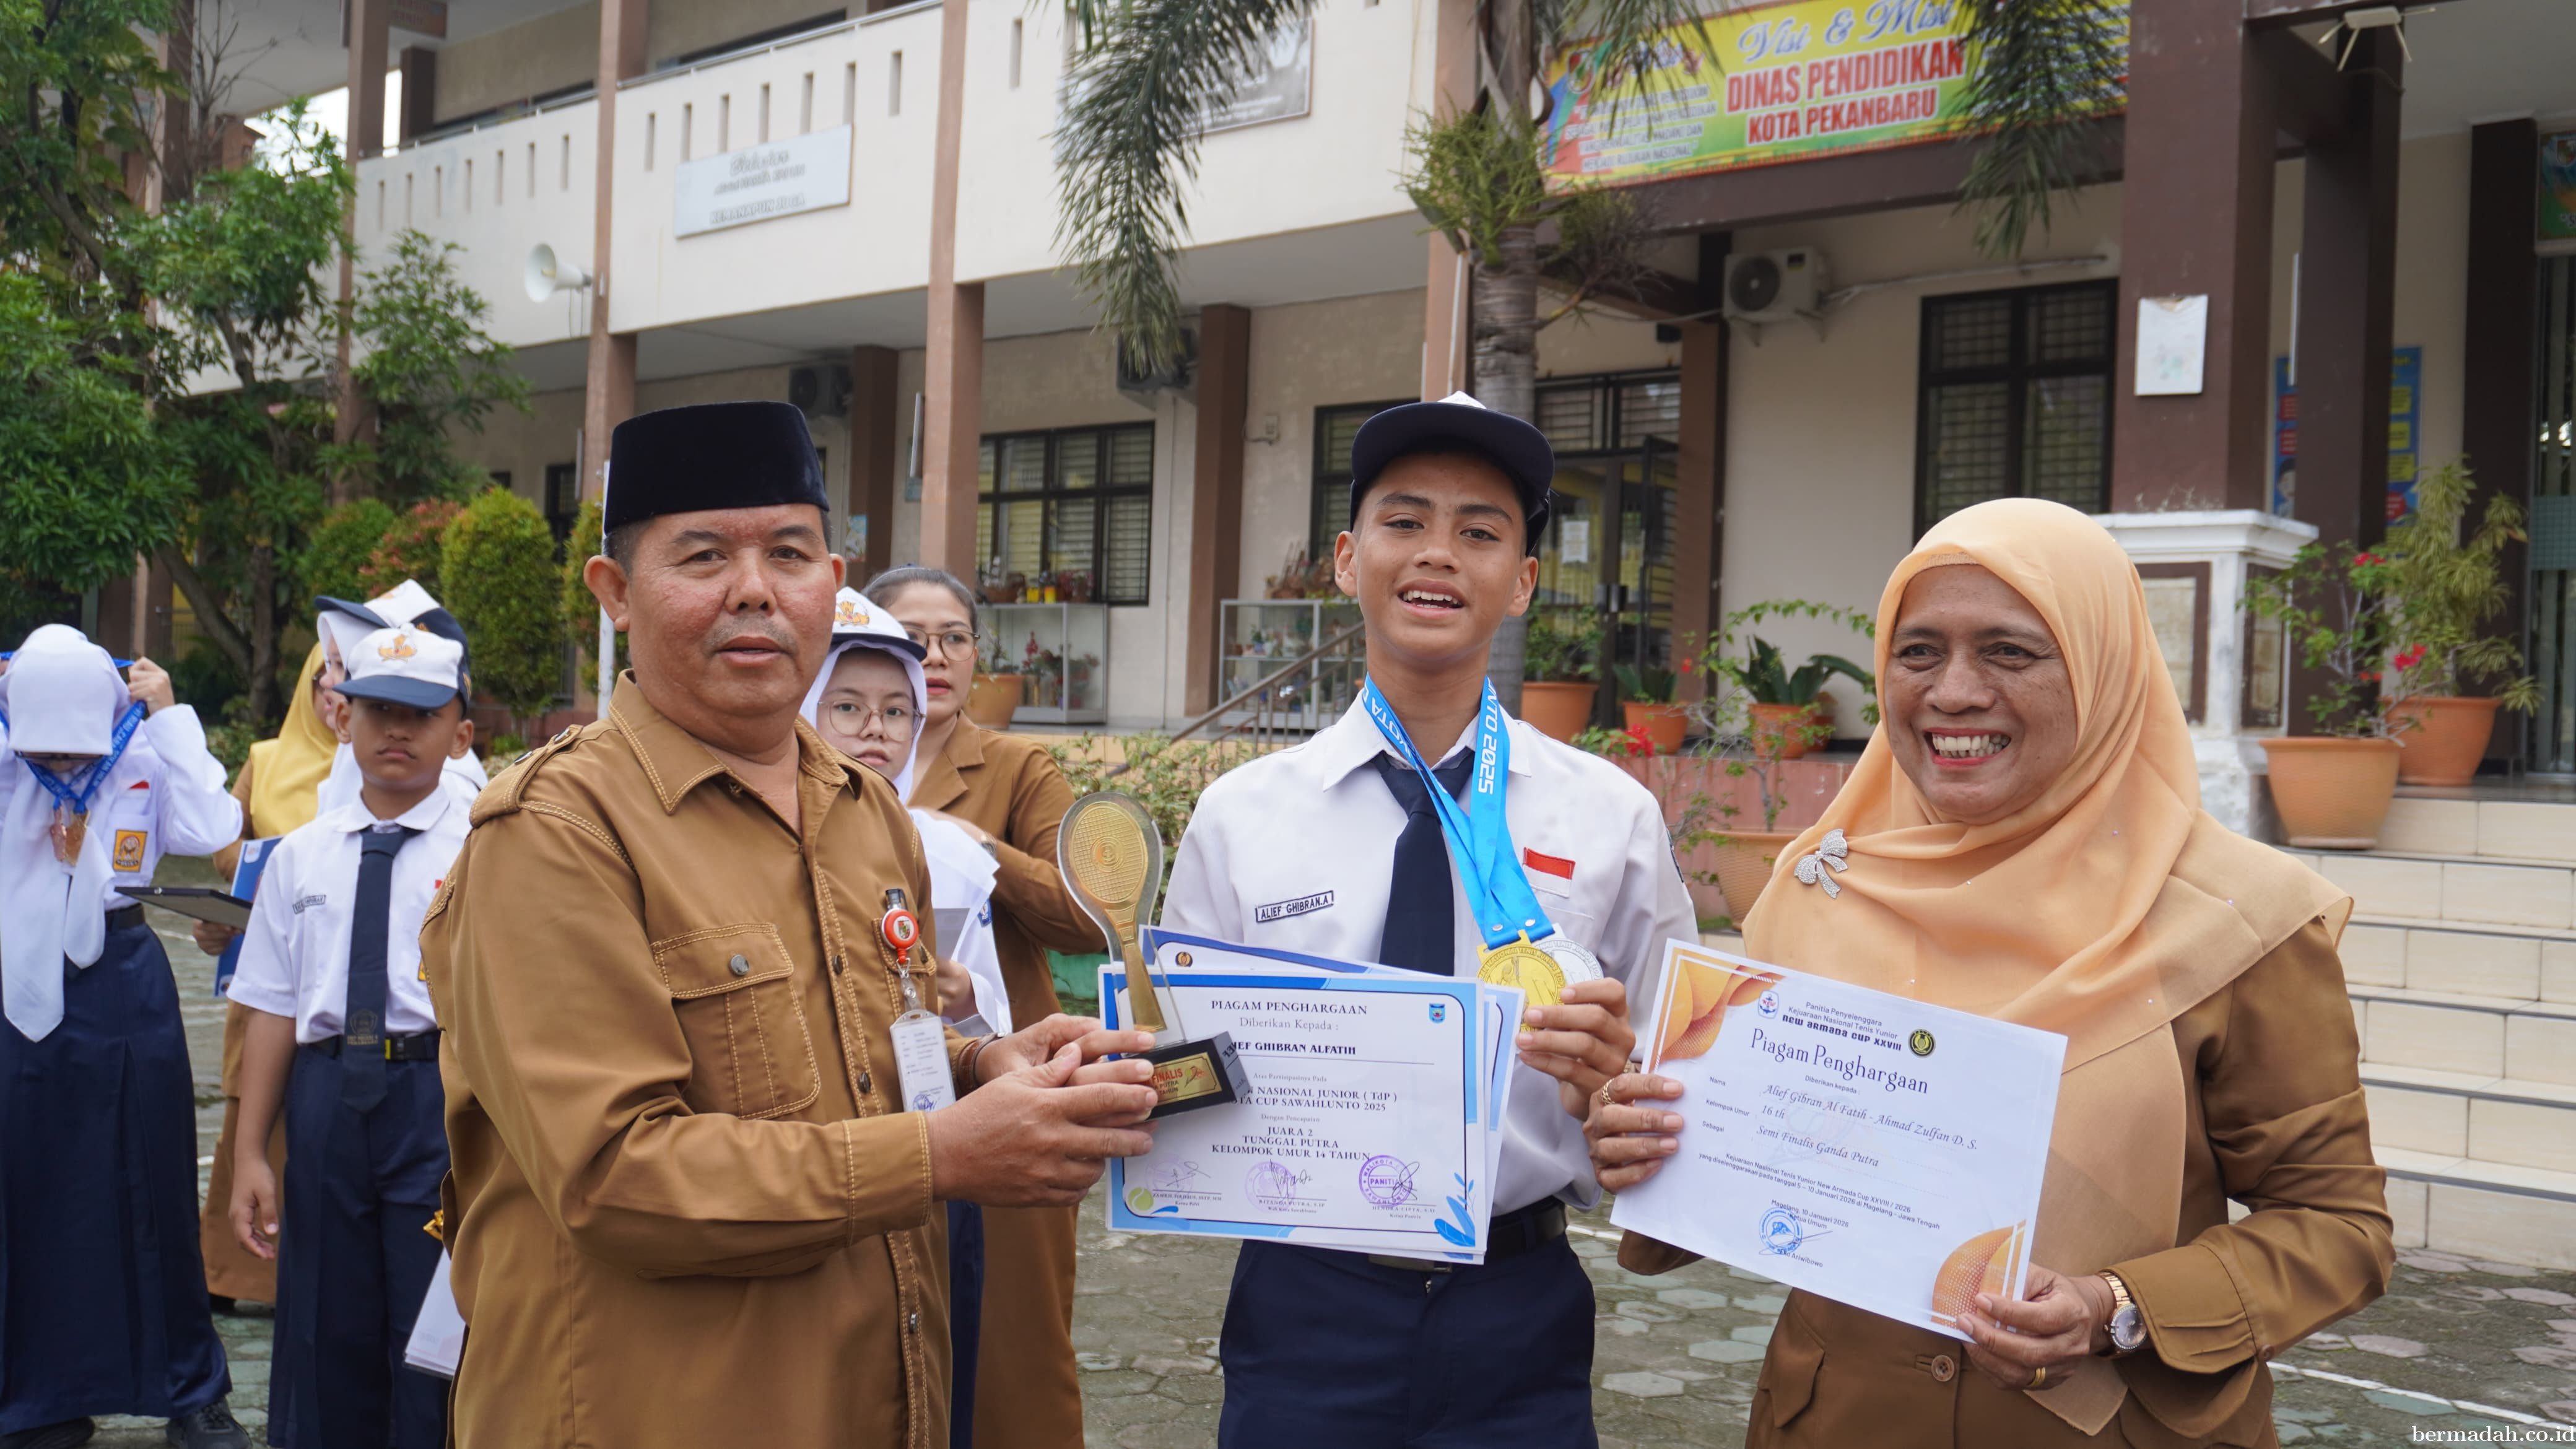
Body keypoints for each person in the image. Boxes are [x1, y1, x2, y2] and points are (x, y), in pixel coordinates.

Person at [419, 399, 1161, 1449]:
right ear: (615, 592)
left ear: (834, 581)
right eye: (704, 556)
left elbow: (866, 1046)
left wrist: (983, 1064)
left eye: (789, 553)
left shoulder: (866, 814)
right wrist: (938, 1156)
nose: (755, 589)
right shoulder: (555, 833)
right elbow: (613, 1177)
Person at [1587, 498, 2391, 1448]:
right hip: (1840, 1422)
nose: (1955, 692)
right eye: (1918, 652)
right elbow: (1759, 1169)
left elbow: (2338, 1228)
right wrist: (1649, 1144)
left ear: (2102, 669)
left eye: (2011, 652)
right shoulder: (1822, 888)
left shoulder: (2234, 920)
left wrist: (2117, 1307)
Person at [1158, 393, 1699, 1448]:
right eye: (1404, 522)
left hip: (1518, 1306)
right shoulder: (1242, 816)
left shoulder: (1610, 815)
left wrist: (1610, 1089)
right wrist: (1134, 1078)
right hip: (1304, 1298)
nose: (1438, 553)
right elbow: (1183, 1073)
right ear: (1347, 560)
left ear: (1524, 582)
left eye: (1480, 532)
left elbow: (1679, 1076)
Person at [869, 564, 1109, 1449]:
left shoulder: (1012, 767)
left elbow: (1088, 917)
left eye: (954, 638)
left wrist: (982, 850)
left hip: (1007, 1080)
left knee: (1015, 1340)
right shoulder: (820, 763)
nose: (934, 657)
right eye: (911, 639)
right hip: (874, 1093)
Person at [224, 622, 477, 1449]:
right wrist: (253, 1151)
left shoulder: (489, 848)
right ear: (342, 718)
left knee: (437, 1320)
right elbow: (273, 1006)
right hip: (329, 1095)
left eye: (421, 715)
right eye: (377, 711)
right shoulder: (300, 856)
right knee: (323, 1318)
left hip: (440, 1097)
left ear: (461, 733)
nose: (396, 731)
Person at [0, 625, 252, 1449]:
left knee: (152, 1177)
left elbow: (213, 825)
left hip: (123, 972)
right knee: (27, 1183)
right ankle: (38, 1397)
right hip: (16, 976)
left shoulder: (142, 752)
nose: (63, 764)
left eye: (76, 747)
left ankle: (191, 1389)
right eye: (48, 749)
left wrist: (171, 718)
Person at [804, 588, 1019, 1448]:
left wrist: (965, 1009)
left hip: (933, 1144)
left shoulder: (948, 850)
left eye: (897, 710)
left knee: (931, 1368)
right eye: (847, 707)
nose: (876, 729)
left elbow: (989, 1015)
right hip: (824, 1164)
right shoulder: (763, 844)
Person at [195, 641, 339, 1313]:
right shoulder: (267, 758)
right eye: (323, 680)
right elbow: (224, 844)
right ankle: (234, 1274)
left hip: (343, 977)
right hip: (268, 963)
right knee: (253, 1106)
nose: (335, 695)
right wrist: (244, 893)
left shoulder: (394, 764)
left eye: (347, 681)